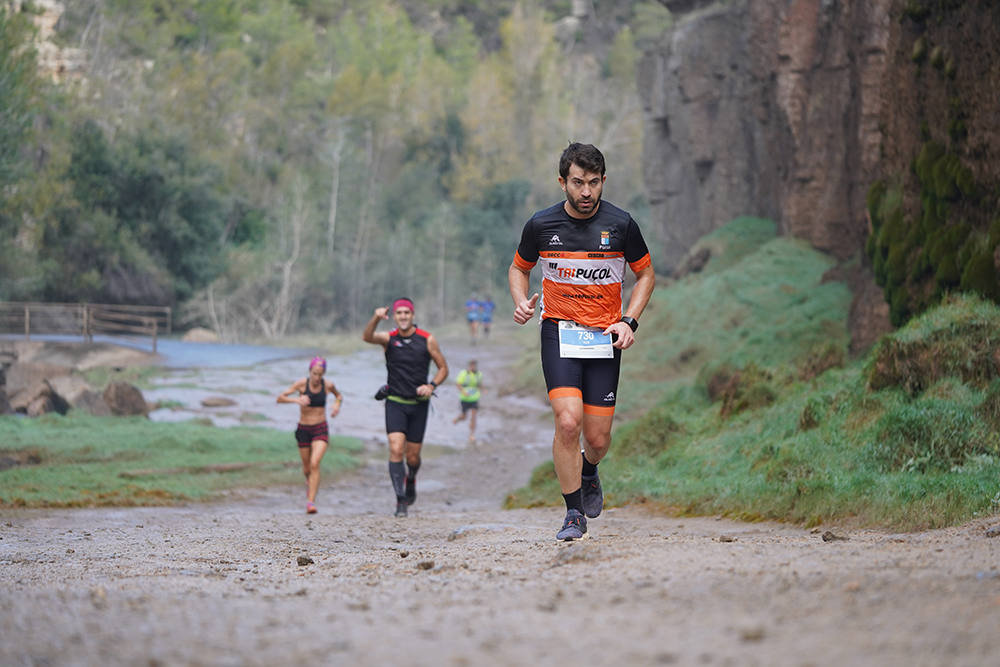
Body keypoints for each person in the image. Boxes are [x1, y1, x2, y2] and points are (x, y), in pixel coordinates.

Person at [508, 142, 655, 541]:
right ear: (562, 182)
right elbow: (519, 268)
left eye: (593, 182)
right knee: (568, 422)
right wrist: (522, 301)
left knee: (598, 439)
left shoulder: (622, 225)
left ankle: (589, 471)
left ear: (604, 180)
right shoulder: (541, 225)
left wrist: (630, 321)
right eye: (577, 183)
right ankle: (573, 513)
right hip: (560, 331)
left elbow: (646, 275)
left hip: (605, 337)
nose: (586, 192)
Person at [362, 297, 448, 517]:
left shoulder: (427, 340)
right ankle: (400, 500)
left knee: (412, 457)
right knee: (395, 448)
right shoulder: (388, 339)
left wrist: (431, 385)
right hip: (395, 402)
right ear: (395, 316)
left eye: (406, 313)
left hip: (418, 405)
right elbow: (367, 337)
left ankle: (411, 478)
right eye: (399, 313)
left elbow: (443, 368)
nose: (402, 317)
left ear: (412, 315)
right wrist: (375, 317)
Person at [276, 356, 343, 514]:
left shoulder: (328, 385)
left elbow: (339, 396)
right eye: (314, 373)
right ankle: (309, 481)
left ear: (324, 373)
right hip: (303, 429)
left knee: (314, 463)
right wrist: (297, 400)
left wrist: (336, 405)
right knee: (307, 468)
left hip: (320, 427)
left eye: (320, 374)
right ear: (310, 371)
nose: (317, 378)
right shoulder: (301, 384)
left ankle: (311, 502)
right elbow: (280, 398)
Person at [452, 359, 484, 444]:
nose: (473, 367)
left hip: (474, 399)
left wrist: (483, 389)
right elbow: (458, 384)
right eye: (471, 365)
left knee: (474, 417)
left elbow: (479, 384)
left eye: (474, 366)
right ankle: (458, 418)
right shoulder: (463, 374)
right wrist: (463, 392)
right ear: (469, 366)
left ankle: (472, 434)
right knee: (464, 416)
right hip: (464, 399)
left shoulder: (479, 374)